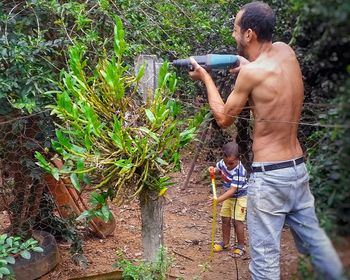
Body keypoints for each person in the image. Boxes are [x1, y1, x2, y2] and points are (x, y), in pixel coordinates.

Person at [188, 1, 345, 279]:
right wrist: (248, 65)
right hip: (297, 170)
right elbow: (266, 68)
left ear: (249, 34)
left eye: (236, 28)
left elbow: (224, 118)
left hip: (270, 179)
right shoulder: (286, 51)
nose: (233, 34)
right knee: (318, 247)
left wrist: (206, 78)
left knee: (264, 263)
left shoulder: (251, 73)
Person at [208, 141, 247, 257]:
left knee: (237, 221)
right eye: (226, 163)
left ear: (238, 159)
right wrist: (213, 170)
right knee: (225, 219)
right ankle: (225, 244)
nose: (228, 166)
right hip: (228, 197)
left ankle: (240, 246)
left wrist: (218, 200)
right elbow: (218, 169)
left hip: (239, 198)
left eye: (231, 163)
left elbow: (232, 190)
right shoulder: (223, 163)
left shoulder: (240, 171)